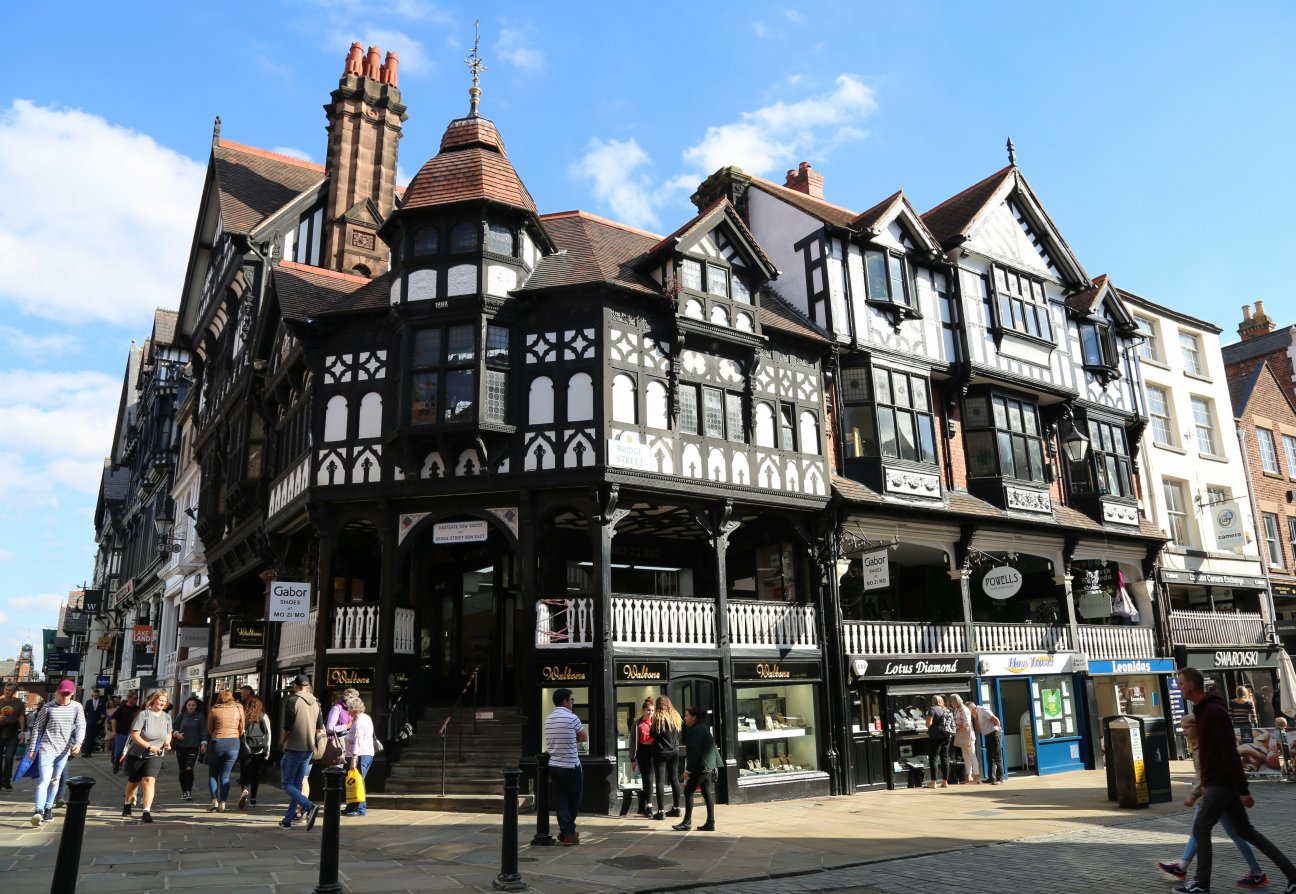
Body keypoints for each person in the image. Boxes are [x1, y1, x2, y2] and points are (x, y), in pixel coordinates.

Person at [1171, 666, 1296, 894]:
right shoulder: (1204, 710)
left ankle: (1201, 883)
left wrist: (1243, 789)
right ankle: (1293, 876)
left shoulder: (1212, 712)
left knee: (1201, 828)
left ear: (1191, 684)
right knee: (1246, 831)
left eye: (1180, 684)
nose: (1178, 688)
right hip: (1219, 782)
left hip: (1223, 782)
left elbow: (1228, 751)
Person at [1158, 713, 1269, 888]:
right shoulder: (1196, 745)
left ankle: (1187, 869)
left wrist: (1193, 795)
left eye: (1186, 727)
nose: (1183, 731)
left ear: (1196, 727)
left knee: (1207, 829)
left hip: (1214, 793)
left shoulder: (1204, 746)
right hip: (1213, 793)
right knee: (1232, 833)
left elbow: (1206, 774)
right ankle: (1257, 872)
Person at [27, 679, 84, 826]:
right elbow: (37, 729)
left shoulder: (77, 707)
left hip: (64, 750)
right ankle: (38, 811)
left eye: (68, 694)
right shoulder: (48, 707)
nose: (65, 696)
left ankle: (48, 809)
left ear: (72, 693)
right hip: (47, 747)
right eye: (63, 693)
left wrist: (78, 743)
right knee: (44, 780)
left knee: (55, 780)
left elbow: (80, 726)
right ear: (58, 691)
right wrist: (33, 748)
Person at [279, 674, 324, 830]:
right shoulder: (316, 702)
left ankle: (308, 806)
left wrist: (282, 741)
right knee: (297, 785)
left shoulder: (292, 700)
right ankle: (288, 819)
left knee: (287, 784)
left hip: (293, 747)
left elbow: (288, 727)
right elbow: (319, 728)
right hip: (309, 749)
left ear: (295, 686)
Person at [544, 687, 587, 846]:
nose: (573, 703)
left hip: (554, 765)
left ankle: (565, 830)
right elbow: (584, 737)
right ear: (565, 701)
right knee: (574, 800)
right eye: (571, 700)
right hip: (571, 765)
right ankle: (569, 833)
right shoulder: (572, 718)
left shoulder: (548, 719)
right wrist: (572, 739)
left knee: (561, 800)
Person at [123, 690, 172, 823]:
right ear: (154, 700)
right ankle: (127, 802)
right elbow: (135, 735)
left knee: (149, 780)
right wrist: (149, 746)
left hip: (156, 754)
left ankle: (146, 811)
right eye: (160, 700)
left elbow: (169, 733)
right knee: (134, 782)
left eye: (164, 700)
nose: (162, 702)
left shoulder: (167, 717)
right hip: (138, 754)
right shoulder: (143, 715)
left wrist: (167, 743)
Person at [672, 706, 720, 832]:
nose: (685, 718)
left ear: (694, 717)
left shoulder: (697, 730)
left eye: (687, 715)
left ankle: (687, 822)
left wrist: (688, 770)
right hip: (707, 766)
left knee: (688, 791)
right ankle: (710, 822)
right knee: (706, 792)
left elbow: (695, 752)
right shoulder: (701, 728)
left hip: (701, 767)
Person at [205, 689, 245, 812]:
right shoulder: (239, 708)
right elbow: (242, 727)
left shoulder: (214, 710)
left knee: (213, 774)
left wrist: (216, 735)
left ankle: (214, 801)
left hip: (217, 742)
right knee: (225, 776)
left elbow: (210, 728)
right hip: (233, 743)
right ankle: (223, 803)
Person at [342, 696, 375, 816]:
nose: (348, 711)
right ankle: (351, 806)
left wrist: (354, 759)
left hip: (360, 755)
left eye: (349, 708)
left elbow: (358, 741)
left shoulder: (359, 722)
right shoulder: (365, 718)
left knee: (358, 781)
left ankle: (360, 809)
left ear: (354, 709)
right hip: (364, 753)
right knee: (354, 781)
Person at [236, 696, 272, 809]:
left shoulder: (244, 716)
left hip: (245, 748)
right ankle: (253, 799)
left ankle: (245, 790)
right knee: (255, 774)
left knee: (244, 773)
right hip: (259, 749)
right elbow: (268, 734)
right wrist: (268, 750)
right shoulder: (263, 716)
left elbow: (239, 732)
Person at [652, 695, 683, 819]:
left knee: (660, 781)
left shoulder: (658, 718)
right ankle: (676, 808)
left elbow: (652, 734)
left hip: (661, 752)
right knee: (674, 778)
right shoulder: (675, 716)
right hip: (674, 751)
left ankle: (661, 811)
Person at [172, 696, 206, 801]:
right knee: (182, 770)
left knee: (189, 768)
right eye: (189, 705)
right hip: (181, 746)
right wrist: (177, 734)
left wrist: (204, 743)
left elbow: (203, 731)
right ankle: (183, 791)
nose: (191, 707)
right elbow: (174, 727)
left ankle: (188, 792)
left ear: (196, 706)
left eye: (193, 705)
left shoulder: (200, 717)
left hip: (193, 746)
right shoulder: (181, 715)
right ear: (186, 706)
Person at [627, 697, 656, 818]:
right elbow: (633, 741)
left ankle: (649, 805)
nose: (650, 713)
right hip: (641, 752)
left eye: (652, 710)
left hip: (652, 751)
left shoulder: (655, 722)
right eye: (648, 710)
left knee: (649, 778)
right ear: (643, 710)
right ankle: (645, 805)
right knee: (645, 778)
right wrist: (632, 759)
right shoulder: (637, 723)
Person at [968, 699, 1004, 784]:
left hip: (994, 733)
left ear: (971, 708)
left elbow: (995, 719)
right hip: (987, 735)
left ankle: (1000, 779)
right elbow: (978, 729)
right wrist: (975, 718)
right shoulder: (976, 714)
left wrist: (998, 729)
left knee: (997, 757)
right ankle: (991, 778)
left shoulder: (983, 710)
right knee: (990, 757)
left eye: (968, 710)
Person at [0, 682, 25, 789]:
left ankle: (6, 780)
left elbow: (21, 717)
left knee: (9, 758)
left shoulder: (18, 703)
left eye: (10, 690)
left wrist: (22, 731)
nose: (7, 692)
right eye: (6, 689)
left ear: (14, 692)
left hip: (12, 732)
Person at [949, 693, 978, 784]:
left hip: (968, 736)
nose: (950, 704)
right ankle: (968, 776)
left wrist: (956, 727)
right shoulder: (958, 709)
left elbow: (967, 725)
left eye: (951, 702)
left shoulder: (963, 709)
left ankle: (976, 776)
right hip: (963, 736)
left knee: (972, 755)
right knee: (966, 756)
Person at [924, 694, 952, 789]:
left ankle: (933, 782)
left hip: (935, 737)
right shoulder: (946, 709)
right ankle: (945, 782)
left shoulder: (932, 710)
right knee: (945, 758)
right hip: (947, 736)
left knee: (934, 759)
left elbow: (929, 724)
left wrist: (926, 722)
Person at [110, 692, 140, 774]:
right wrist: (114, 731)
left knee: (129, 752)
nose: (136, 700)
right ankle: (116, 765)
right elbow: (114, 719)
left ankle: (126, 768)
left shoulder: (137, 709)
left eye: (137, 698)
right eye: (135, 698)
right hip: (121, 734)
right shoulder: (122, 708)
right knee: (119, 751)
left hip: (132, 734)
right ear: (129, 698)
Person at [83, 689, 105, 756]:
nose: (96, 696)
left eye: (97, 695)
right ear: (93, 694)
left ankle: (90, 752)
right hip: (89, 721)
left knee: (93, 737)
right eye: (95, 694)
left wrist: (101, 720)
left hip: (97, 722)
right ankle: (85, 752)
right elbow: (85, 711)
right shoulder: (88, 702)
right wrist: (86, 719)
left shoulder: (102, 702)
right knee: (88, 736)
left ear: (99, 695)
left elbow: (103, 712)